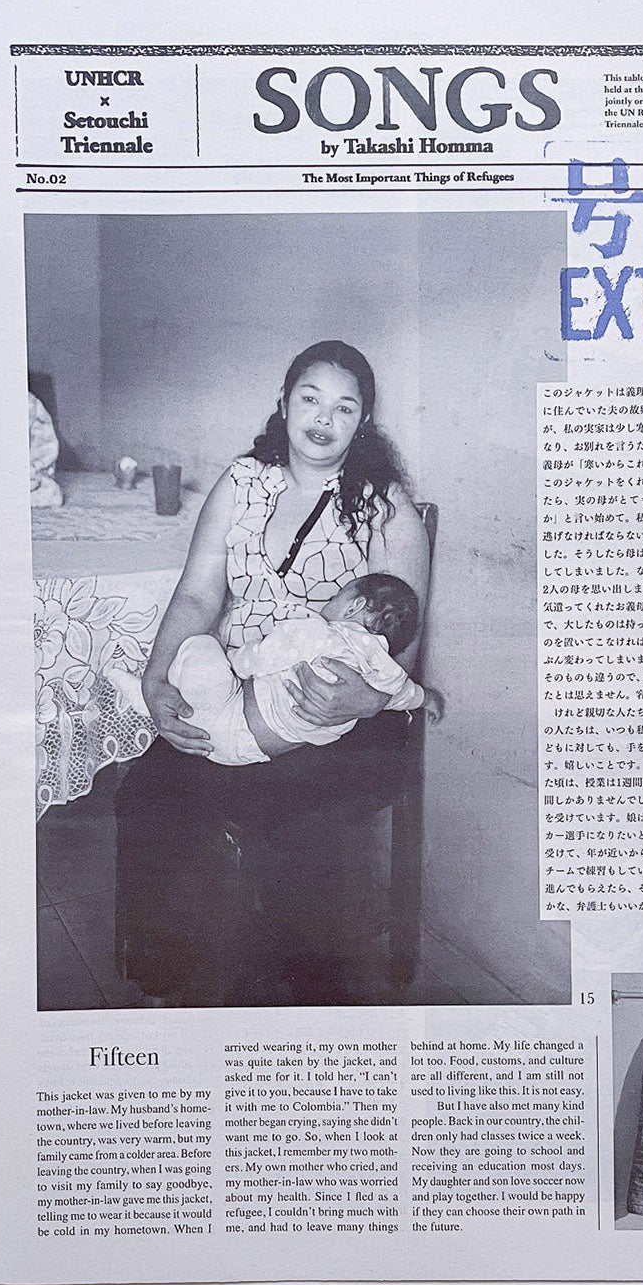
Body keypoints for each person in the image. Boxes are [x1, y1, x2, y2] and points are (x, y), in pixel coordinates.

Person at [114, 340, 432, 1006]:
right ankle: (171, 976)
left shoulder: (385, 508)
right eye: (310, 399)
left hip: (343, 714)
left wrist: (363, 699)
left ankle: (295, 992)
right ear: (284, 404)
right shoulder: (242, 483)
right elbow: (198, 594)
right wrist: (156, 679)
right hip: (237, 693)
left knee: (294, 810)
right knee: (152, 788)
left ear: (363, 422)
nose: (323, 419)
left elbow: (402, 644)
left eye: (344, 407)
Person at [164, 573, 440, 768]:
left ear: (354, 606)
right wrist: (427, 698)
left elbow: (257, 658)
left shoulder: (317, 633)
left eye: (335, 597)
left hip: (227, 716)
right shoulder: (384, 674)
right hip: (252, 753)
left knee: (201, 645)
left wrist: (229, 659)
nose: (326, 604)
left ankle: (166, 685)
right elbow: (404, 695)